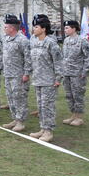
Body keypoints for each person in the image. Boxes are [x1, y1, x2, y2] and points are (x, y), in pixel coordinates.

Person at [29, 14, 63, 142]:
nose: (34, 29)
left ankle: (48, 131)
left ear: (43, 29)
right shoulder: (35, 42)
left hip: (49, 81)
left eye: (36, 27)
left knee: (48, 106)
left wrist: (58, 79)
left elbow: (58, 62)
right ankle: (43, 128)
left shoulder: (51, 43)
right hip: (38, 79)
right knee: (40, 106)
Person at [1, 14, 32, 132]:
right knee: (10, 97)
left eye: (6, 27)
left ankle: (20, 121)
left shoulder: (22, 40)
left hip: (18, 75)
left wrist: (26, 73)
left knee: (19, 98)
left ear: (12, 28)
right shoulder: (7, 39)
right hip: (8, 74)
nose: (4, 29)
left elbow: (28, 58)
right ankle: (14, 118)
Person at [61, 20, 89, 126]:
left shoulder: (82, 41)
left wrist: (85, 71)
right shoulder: (66, 40)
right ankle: (73, 115)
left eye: (67, 28)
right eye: (65, 28)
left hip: (77, 74)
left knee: (78, 95)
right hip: (67, 73)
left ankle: (79, 117)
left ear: (74, 29)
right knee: (69, 95)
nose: (65, 30)